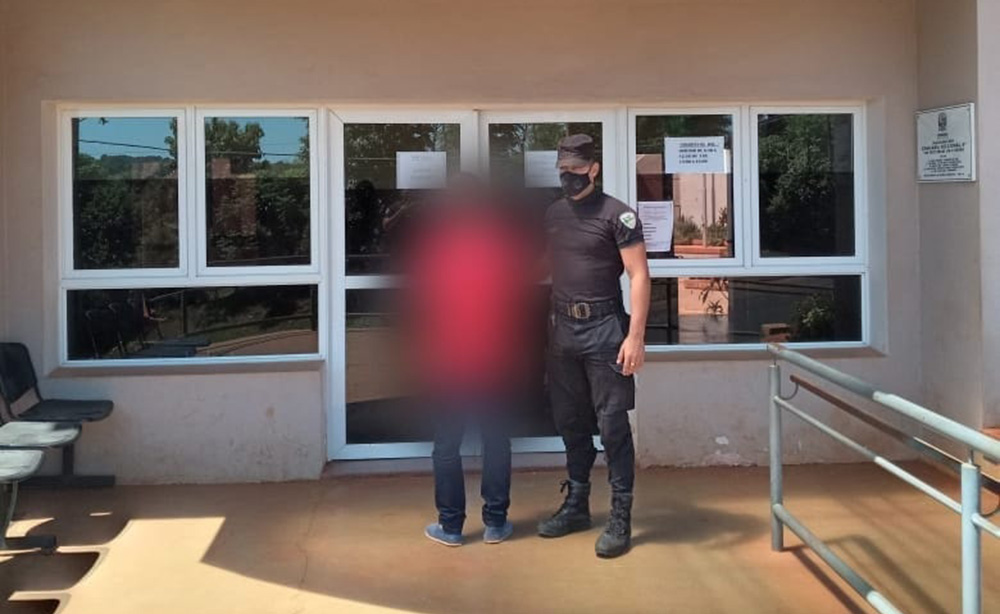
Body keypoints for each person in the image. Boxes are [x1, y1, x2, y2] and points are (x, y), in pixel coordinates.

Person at [400, 175, 537, 547]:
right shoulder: (505, 246)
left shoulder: (436, 247)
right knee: (496, 442)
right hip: (496, 358)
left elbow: (424, 305)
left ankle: (451, 527)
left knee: (446, 446)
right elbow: (518, 303)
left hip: (449, 360)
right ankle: (496, 523)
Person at [537, 134, 651, 558]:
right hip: (563, 329)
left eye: (576, 170)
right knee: (570, 421)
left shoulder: (618, 215)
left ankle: (620, 516)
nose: (568, 177)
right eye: (563, 170)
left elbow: (639, 275)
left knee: (613, 425)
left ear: (594, 169)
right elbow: (548, 264)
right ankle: (577, 505)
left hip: (605, 330)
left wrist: (635, 337)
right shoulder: (553, 214)